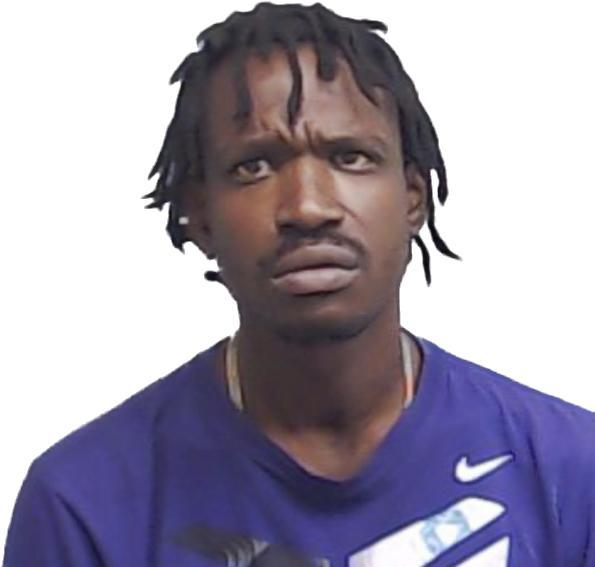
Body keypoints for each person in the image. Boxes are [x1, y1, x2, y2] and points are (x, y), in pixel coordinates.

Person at [4, 3, 595, 565]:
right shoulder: (83, 503)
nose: (309, 207)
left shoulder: (571, 471)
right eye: (254, 166)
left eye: (350, 157)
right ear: (199, 216)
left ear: (413, 199)